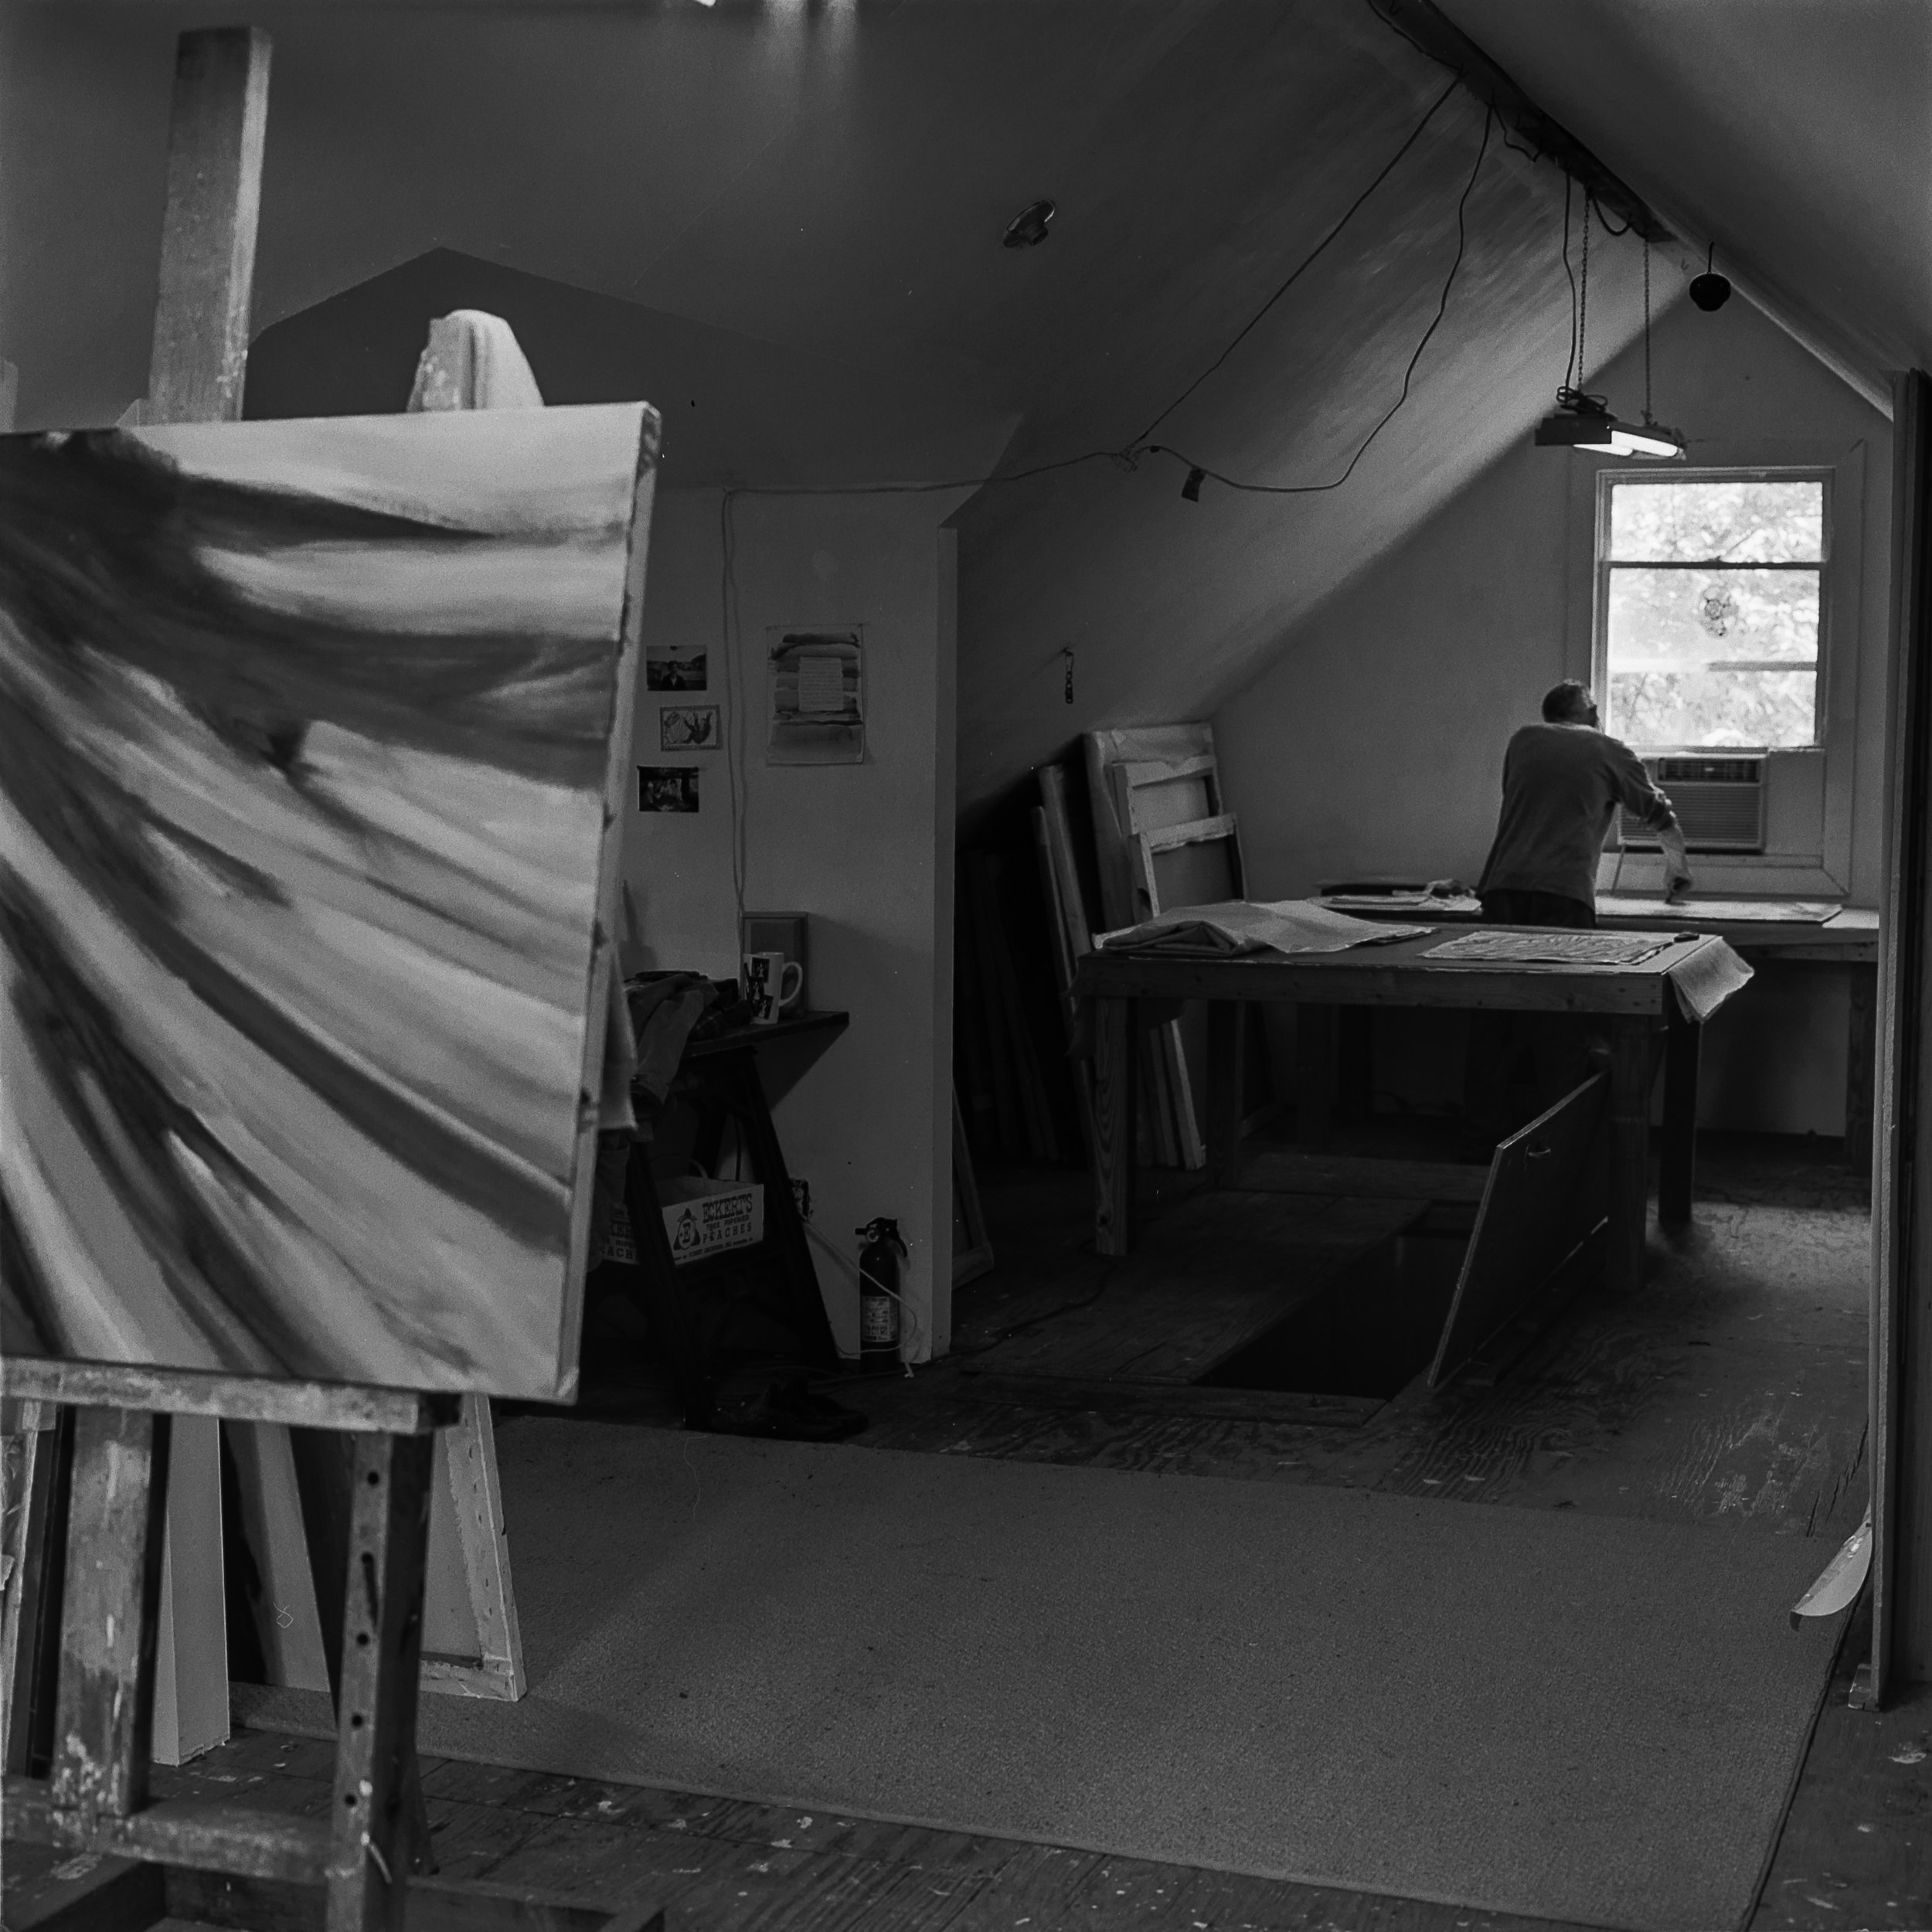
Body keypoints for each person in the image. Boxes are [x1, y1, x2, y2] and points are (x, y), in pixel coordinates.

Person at [1456, 679, 1692, 1149]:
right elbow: (1658, 814)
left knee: (1492, 1021)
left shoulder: (1522, 741)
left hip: (1501, 892)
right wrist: (1678, 870)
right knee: (1561, 1023)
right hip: (1561, 898)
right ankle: (1557, 1147)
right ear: (1593, 713)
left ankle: (1481, 1140)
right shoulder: (1608, 749)